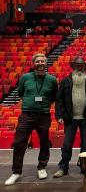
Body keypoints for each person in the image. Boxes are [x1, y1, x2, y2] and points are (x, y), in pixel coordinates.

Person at [5, 54, 58, 186]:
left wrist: (44, 104)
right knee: (19, 143)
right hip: (27, 115)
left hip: (44, 115)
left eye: (43, 61)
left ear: (46, 63)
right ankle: (16, 172)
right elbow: (21, 93)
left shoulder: (52, 79)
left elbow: (54, 96)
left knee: (44, 142)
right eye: (38, 61)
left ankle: (42, 167)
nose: (40, 63)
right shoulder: (25, 77)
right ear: (34, 63)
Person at [53, 56, 86, 178]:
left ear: (85, 67)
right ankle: (63, 167)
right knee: (66, 144)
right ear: (74, 66)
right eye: (77, 65)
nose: (79, 67)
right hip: (70, 118)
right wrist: (59, 115)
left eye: (81, 65)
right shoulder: (66, 81)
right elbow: (59, 99)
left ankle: (85, 166)